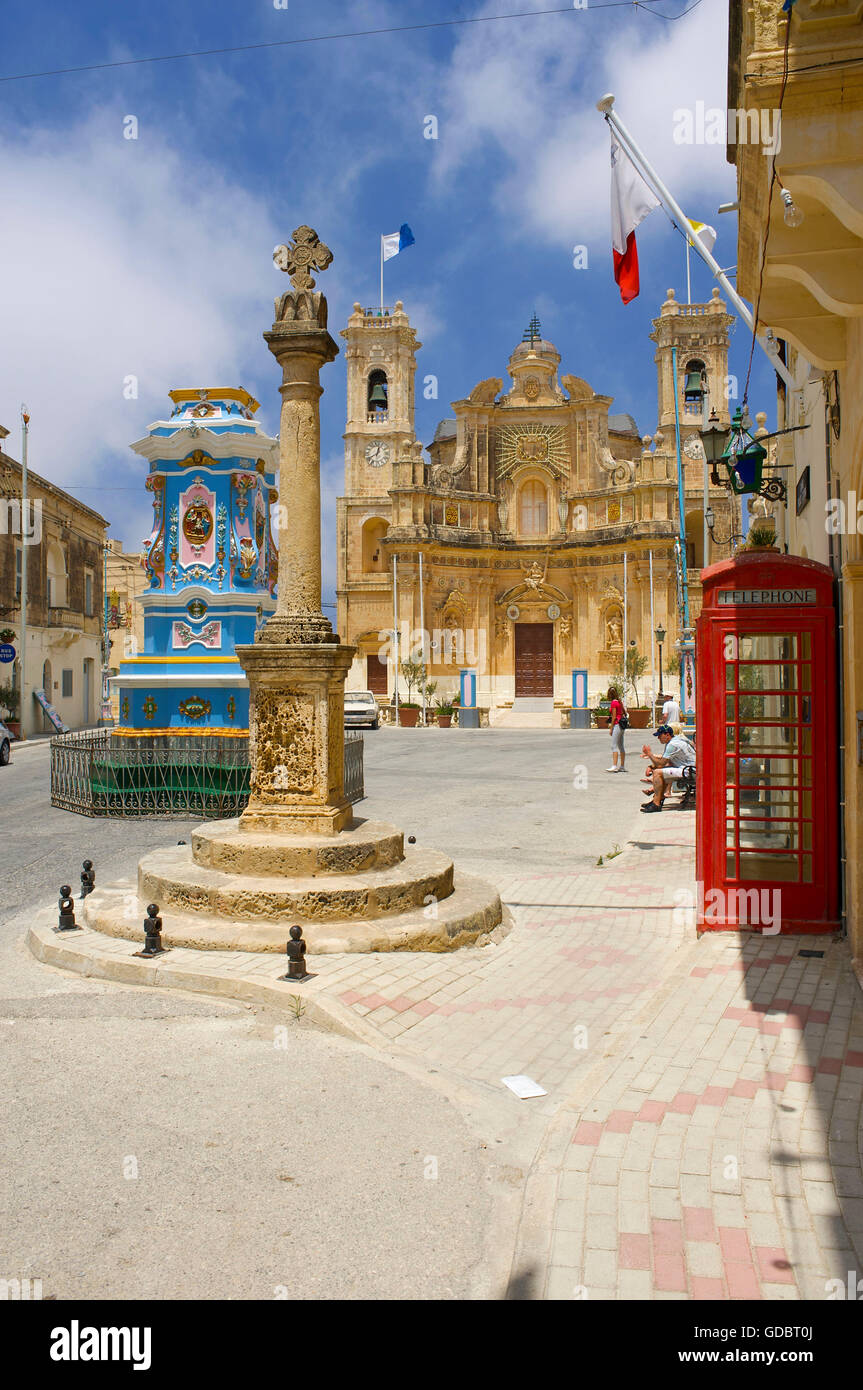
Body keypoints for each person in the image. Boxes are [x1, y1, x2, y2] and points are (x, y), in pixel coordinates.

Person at [640, 724, 695, 812]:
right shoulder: (676, 740)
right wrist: (651, 766)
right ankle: (656, 801)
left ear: (667, 735)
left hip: (690, 771)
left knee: (658, 772)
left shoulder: (673, 744)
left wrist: (649, 754)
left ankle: (656, 804)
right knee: (662, 774)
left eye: (660, 735)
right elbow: (666, 762)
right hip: (691, 769)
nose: (658, 738)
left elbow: (661, 764)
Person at [606, 685, 627, 773]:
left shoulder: (614, 703)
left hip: (617, 724)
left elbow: (614, 716)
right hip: (622, 725)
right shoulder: (619, 701)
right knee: (621, 745)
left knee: (614, 745)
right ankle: (622, 766)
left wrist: (611, 728)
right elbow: (624, 712)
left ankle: (614, 766)